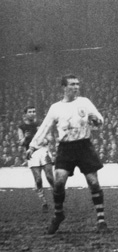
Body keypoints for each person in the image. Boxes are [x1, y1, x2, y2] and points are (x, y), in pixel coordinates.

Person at [27, 75, 108, 234]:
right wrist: (32, 146)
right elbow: (44, 127)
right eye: (72, 84)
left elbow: (99, 120)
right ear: (64, 87)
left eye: (77, 84)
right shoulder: (56, 108)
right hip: (66, 148)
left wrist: (97, 120)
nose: (76, 87)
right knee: (58, 182)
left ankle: (101, 219)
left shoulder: (84, 102)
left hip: (84, 146)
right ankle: (58, 215)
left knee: (93, 182)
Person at [17, 106, 55, 212]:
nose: (32, 113)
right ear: (25, 114)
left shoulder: (41, 124)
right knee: (38, 180)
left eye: (34, 111)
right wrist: (25, 137)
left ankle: (57, 199)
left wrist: (45, 139)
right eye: (30, 112)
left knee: (50, 177)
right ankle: (44, 202)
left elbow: (50, 137)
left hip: (43, 151)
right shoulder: (22, 127)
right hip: (31, 153)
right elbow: (21, 142)